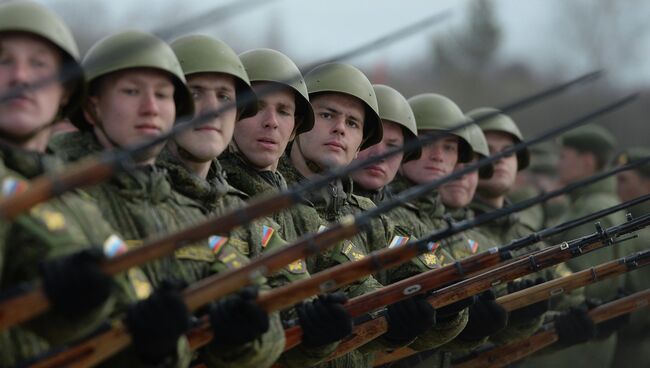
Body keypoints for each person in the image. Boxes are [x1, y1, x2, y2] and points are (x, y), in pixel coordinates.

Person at [164, 38, 351, 367]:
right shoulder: (224, 203)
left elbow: (286, 312)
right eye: (258, 107)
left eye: (283, 111)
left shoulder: (267, 210)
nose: (271, 122)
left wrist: (317, 332)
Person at [278, 63, 436, 367]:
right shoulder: (267, 203)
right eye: (327, 115)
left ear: (360, 142)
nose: (339, 128)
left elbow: (419, 274)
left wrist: (440, 310)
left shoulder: (370, 217)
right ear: (298, 123)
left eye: (352, 123)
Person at [0, 2, 123, 365]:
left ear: (66, 91)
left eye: (39, 64)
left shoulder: (83, 206)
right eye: (3, 60)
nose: (21, 76)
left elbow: (126, 313)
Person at [350, 85, 470, 368]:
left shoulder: (391, 223)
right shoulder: (389, 216)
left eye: (393, 146)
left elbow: (437, 276)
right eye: (428, 144)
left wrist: (453, 310)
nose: (438, 156)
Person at [610, 147, 650, 368]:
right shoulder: (632, 228)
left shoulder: (642, 239)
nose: (616, 188)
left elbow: (636, 317)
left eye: (623, 180)